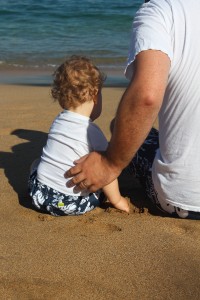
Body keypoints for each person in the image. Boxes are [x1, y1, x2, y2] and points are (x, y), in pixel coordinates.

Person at [66, 0, 200, 219]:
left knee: (121, 128)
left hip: (188, 200)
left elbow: (147, 96)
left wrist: (110, 163)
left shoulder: (161, 10)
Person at [28, 55, 129, 216]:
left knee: (35, 163)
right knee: (102, 180)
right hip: (70, 203)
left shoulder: (58, 121)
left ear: (61, 100)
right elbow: (106, 172)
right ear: (95, 95)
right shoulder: (92, 131)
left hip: (39, 195)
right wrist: (117, 200)